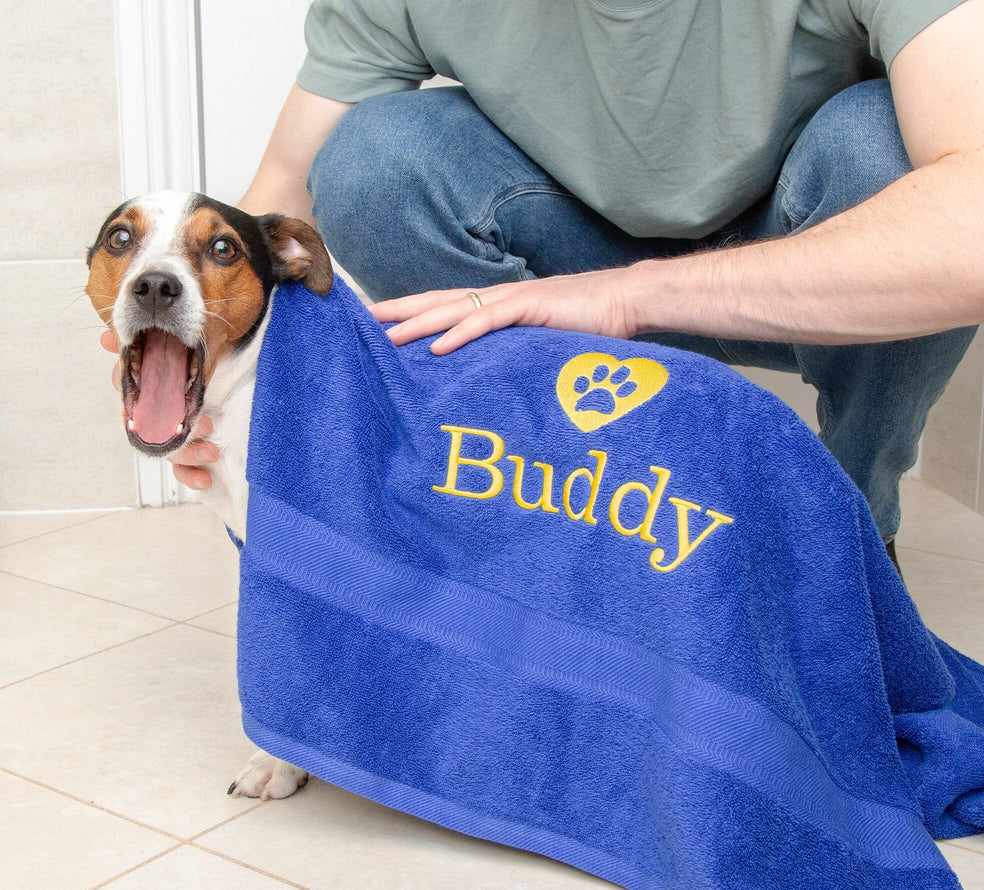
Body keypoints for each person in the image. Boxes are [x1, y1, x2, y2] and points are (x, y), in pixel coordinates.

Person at [164, 0, 984, 567]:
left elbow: (972, 226)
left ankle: (849, 533)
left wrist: (627, 296)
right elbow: (278, 198)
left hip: (802, 263)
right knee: (373, 159)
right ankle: (576, 520)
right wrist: (197, 366)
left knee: (889, 153)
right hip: (567, 245)